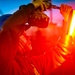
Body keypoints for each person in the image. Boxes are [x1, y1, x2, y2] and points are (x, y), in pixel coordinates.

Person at [0, 0, 74, 75]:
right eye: (23, 33)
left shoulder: (31, 65)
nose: (28, 36)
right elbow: (8, 30)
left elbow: (60, 53)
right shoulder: (3, 67)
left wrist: (67, 20)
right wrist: (31, 7)